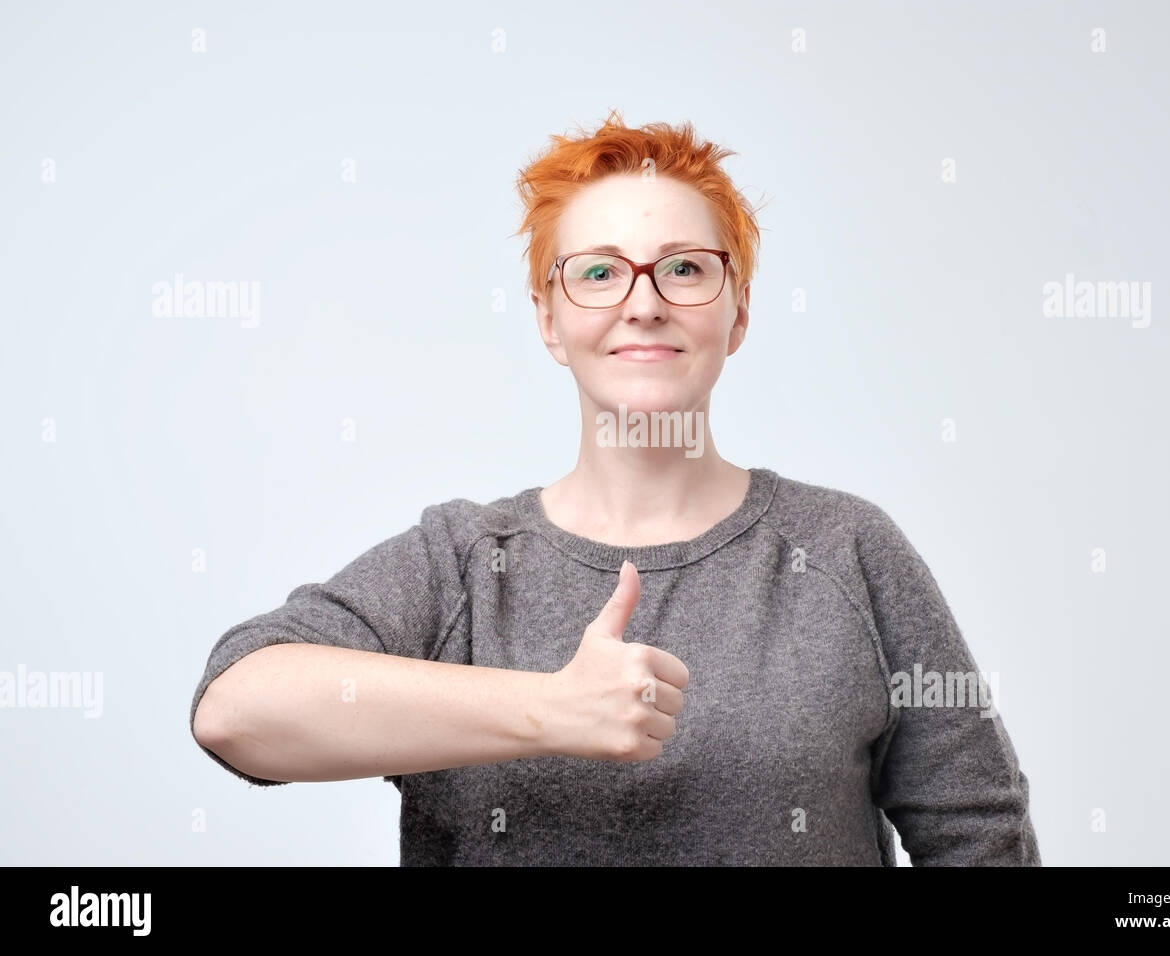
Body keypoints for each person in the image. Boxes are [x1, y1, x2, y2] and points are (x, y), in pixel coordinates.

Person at [190, 110, 1041, 866]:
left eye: (684, 269)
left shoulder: (847, 552)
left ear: (737, 312)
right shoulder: (460, 567)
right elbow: (236, 710)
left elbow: (980, 841)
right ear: (548, 319)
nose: (643, 304)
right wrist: (552, 711)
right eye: (599, 272)